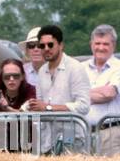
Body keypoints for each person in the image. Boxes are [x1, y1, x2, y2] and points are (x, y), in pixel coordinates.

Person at [24, 23, 90, 152]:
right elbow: (40, 105)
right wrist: (32, 107)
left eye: (50, 44)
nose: (46, 48)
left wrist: (48, 108)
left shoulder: (75, 68)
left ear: (61, 45)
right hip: (47, 141)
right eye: (42, 45)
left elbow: (83, 106)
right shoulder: (42, 71)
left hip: (72, 139)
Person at [84, 24, 120, 157]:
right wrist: (100, 91)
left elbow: (109, 93)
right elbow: (72, 95)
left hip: (110, 132)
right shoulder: (81, 68)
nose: (101, 47)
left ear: (113, 46)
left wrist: (84, 95)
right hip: (83, 132)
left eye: (106, 44)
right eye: (97, 43)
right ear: (91, 44)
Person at [0, 58, 36, 151]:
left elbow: (26, 114)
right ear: (1, 77)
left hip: (24, 142)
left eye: (16, 76)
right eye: (7, 76)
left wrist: (7, 108)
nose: (11, 79)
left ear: (22, 76)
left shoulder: (30, 90)